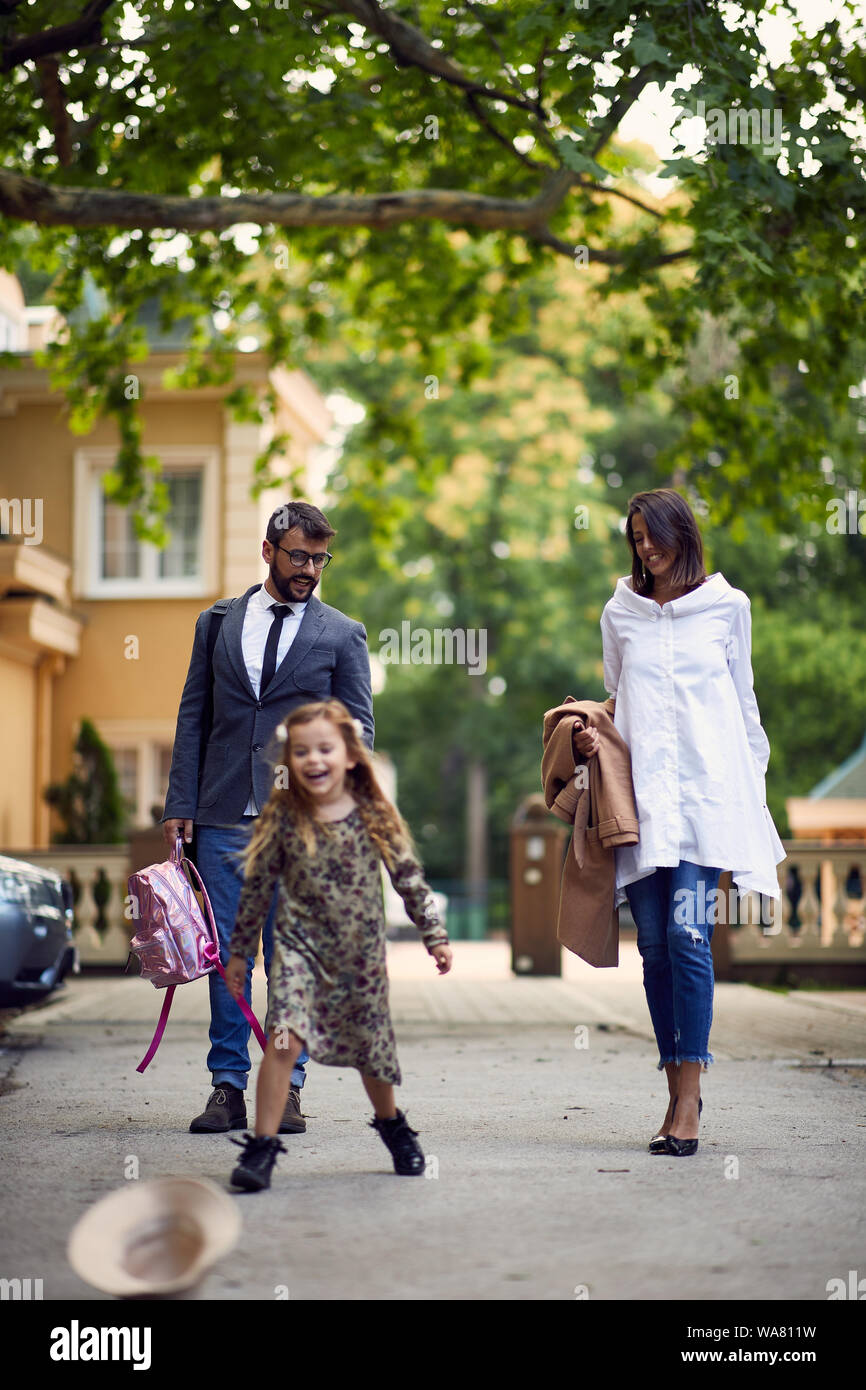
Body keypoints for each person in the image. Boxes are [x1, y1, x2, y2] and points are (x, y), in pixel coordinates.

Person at [578, 488, 785, 1156]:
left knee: (688, 933)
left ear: (681, 533)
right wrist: (589, 741)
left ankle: (688, 1097)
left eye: (653, 534)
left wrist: (750, 795)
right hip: (639, 805)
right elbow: (617, 704)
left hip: (704, 804)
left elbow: (745, 705)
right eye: (635, 538)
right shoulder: (621, 610)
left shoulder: (729, 607)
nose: (645, 548)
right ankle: (673, 1084)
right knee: (655, 948)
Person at [161, 501, 374, 1135]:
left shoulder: (341, 633)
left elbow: (359, 727)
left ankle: (288, 1085)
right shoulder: (217, 623)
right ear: (269, 551)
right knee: (229, 956)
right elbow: (193, 716)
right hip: (223, 814)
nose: (310, 569)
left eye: (319, 558)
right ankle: (226, 1085)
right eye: (299, 556)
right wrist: (180, 804)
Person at [223, 699, 452, 1191]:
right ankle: (262, 1148)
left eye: (324, 748)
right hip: (298, 952)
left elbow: (409, 879)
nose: (313, 759)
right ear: (290, 763)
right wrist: (241, 952)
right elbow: (257, 888)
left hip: (360, 960)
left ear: (349, 755)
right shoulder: (283, 818)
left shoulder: (373, 812)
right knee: (283, 1038)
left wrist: (434, 934)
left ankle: (392, 1125)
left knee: (372, 1051)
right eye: (301, 752)